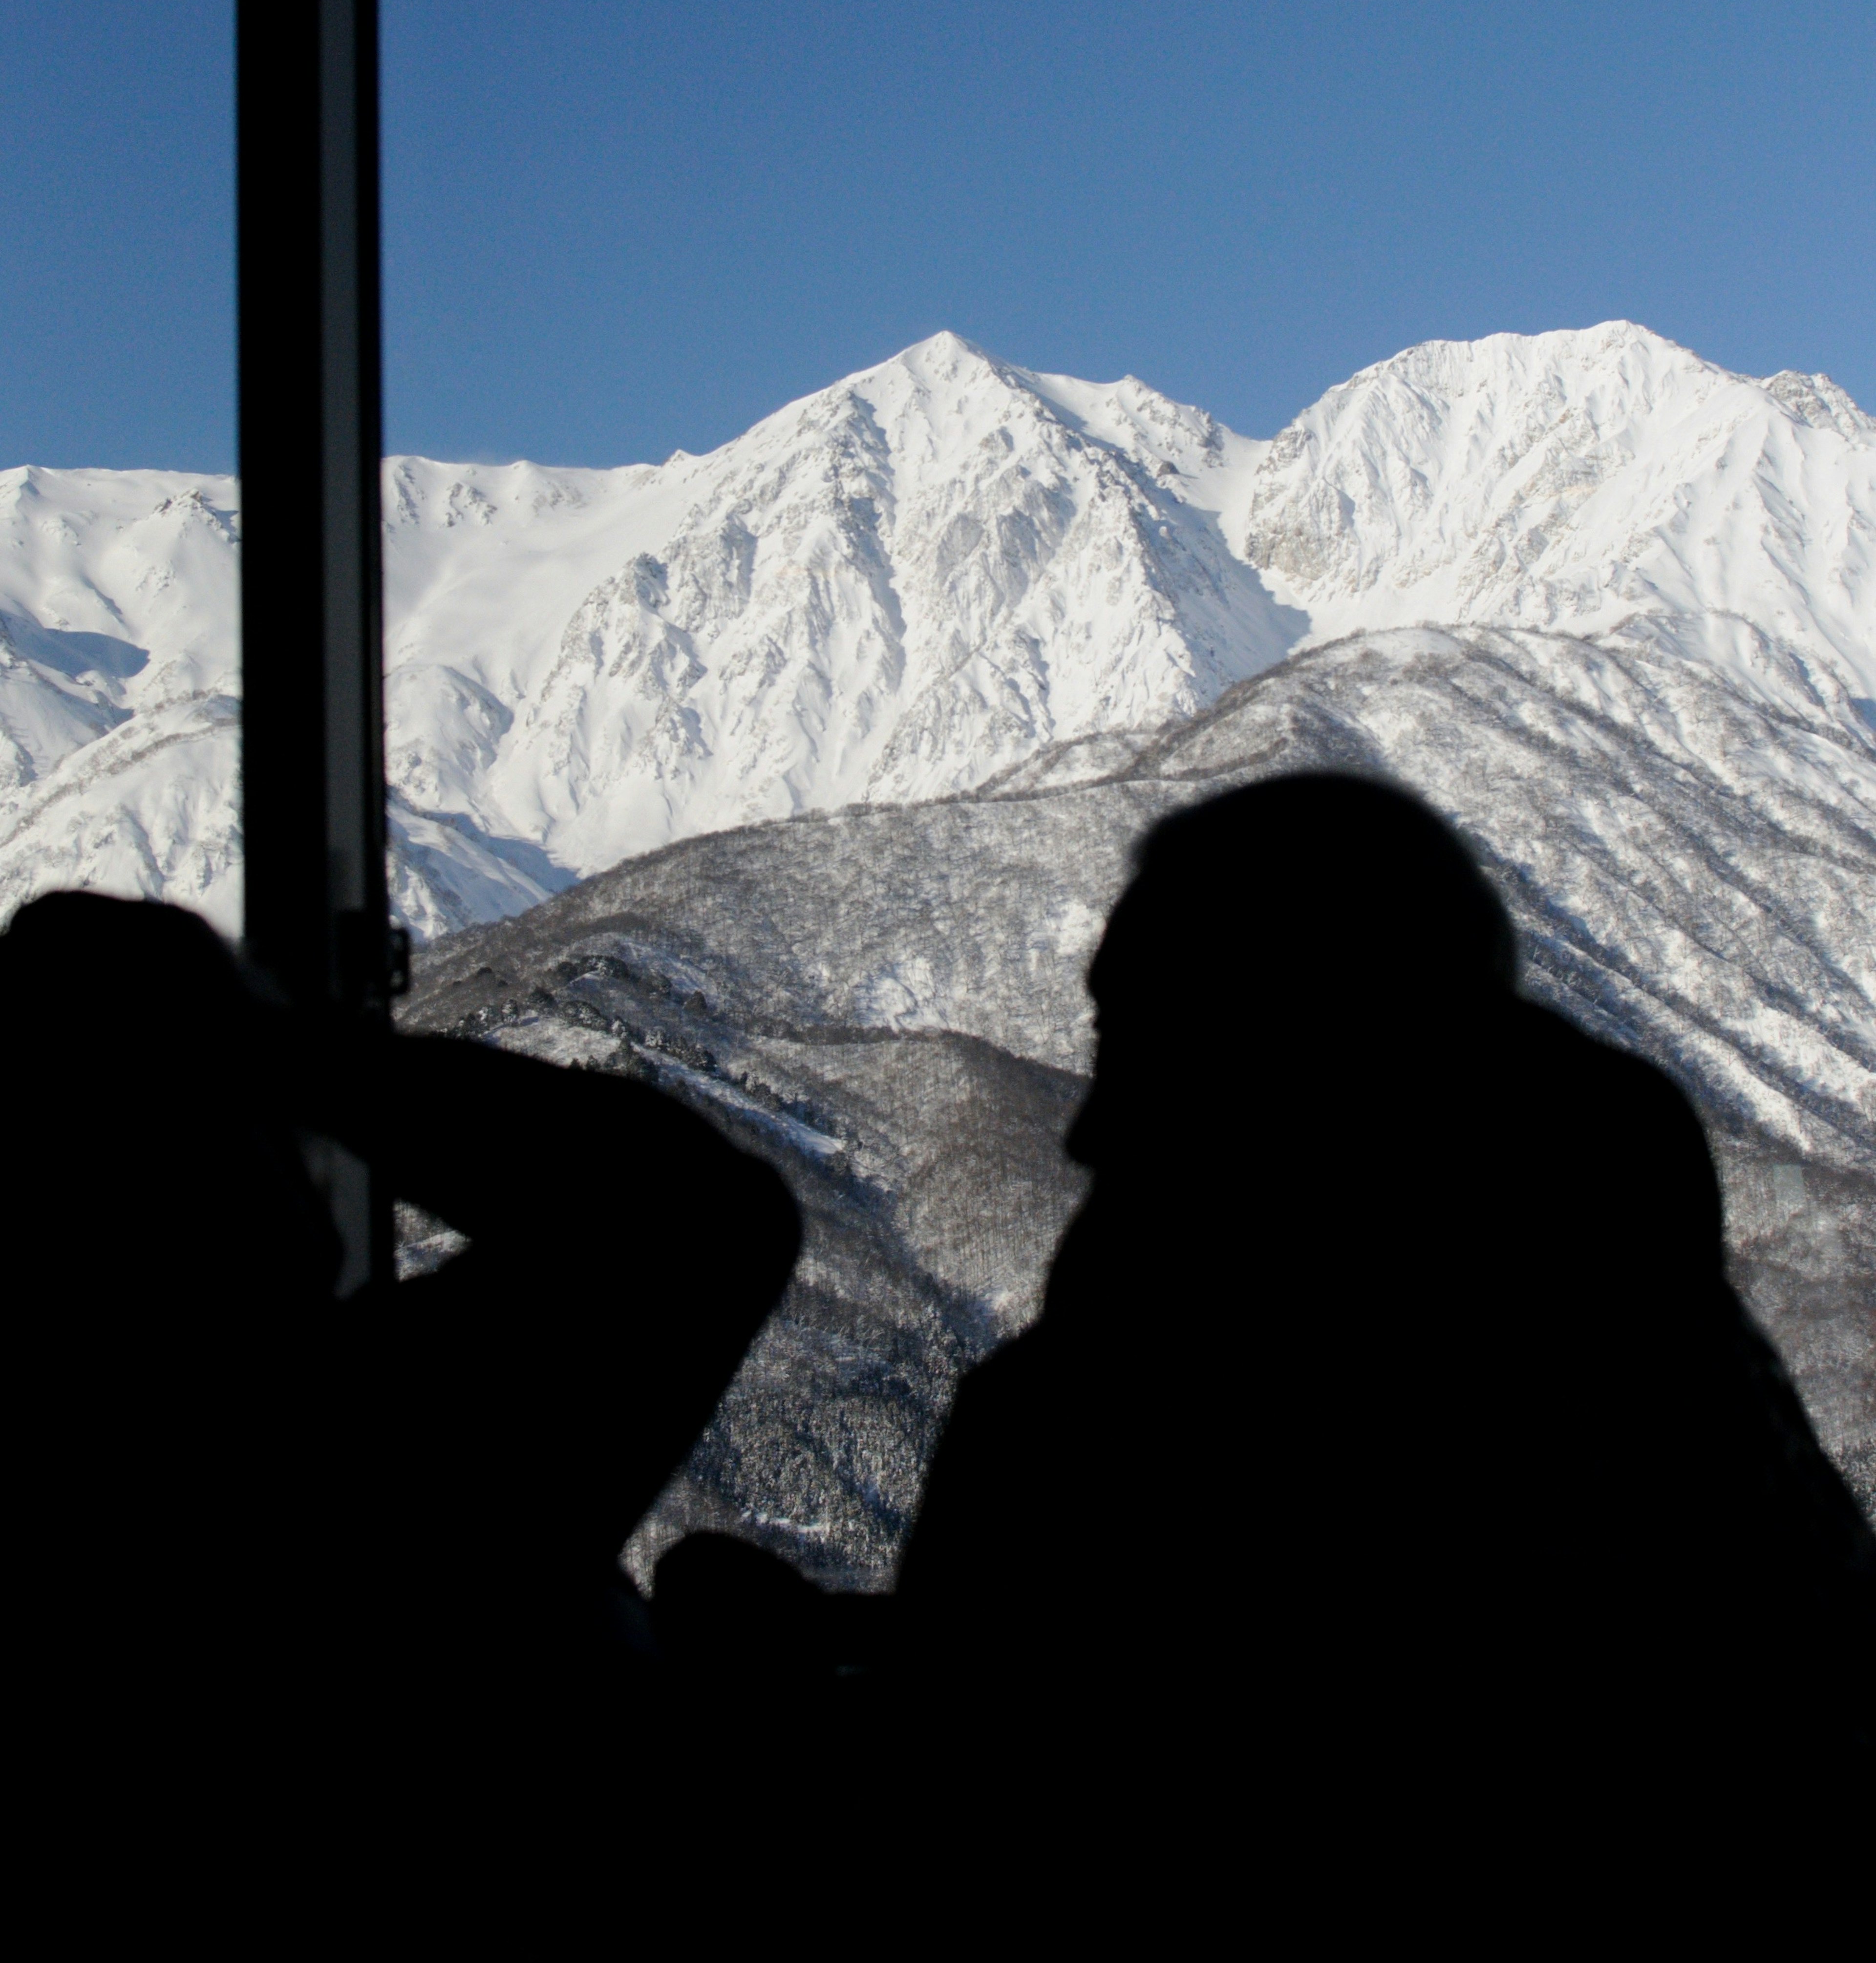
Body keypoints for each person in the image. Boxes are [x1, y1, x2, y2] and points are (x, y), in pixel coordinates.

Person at [891, 774, 1876, 1877]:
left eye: (1149, 1049)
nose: (1084, 1131)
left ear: (1301, 1059)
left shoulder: (1131, 1410)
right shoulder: (1662, 1335)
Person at [3, 889, 800, 1868]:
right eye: (246, 1126)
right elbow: (699, 1211)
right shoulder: (341, 1445)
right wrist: (280, 1051)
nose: (297, 1158)